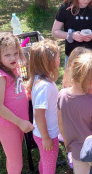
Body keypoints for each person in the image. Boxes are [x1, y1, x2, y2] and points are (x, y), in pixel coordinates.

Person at [0, 32, 34, 174]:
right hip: (9, 126)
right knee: (16, 164)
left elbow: (16, 89)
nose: (13, 58)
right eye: (7, 55)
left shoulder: (14, 67)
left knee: (13, 159)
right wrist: (20, 122)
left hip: (19, 123)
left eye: (15, 53)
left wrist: (26, 92)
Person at [57, 52, 92, 174]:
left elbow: (60, 123)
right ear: (91, 82)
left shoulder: (61, 94)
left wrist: (67, 141)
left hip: (76, 153)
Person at [28, 40, 60, 174]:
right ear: (50, 61)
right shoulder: (44, 86)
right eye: (58, 57)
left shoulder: (39, 78)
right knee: (50, 167)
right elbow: (39, 114)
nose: (59, 59)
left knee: (45, 160)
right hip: (47, 135)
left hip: (44, 133)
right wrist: (46, 138)